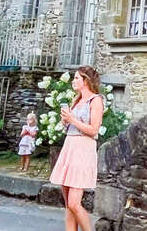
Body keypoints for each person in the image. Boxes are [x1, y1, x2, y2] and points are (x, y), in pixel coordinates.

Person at [49, 66, 104, 231]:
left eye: (76, 78)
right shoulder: (76, 100)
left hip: (83, 149)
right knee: (68, 204)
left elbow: (94, 130)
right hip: (70, 147)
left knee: (74, 202)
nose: (73, 81)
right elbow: (70, 128)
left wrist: (72, 120)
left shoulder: (96, 100)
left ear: (86, 81)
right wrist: (65, 122)